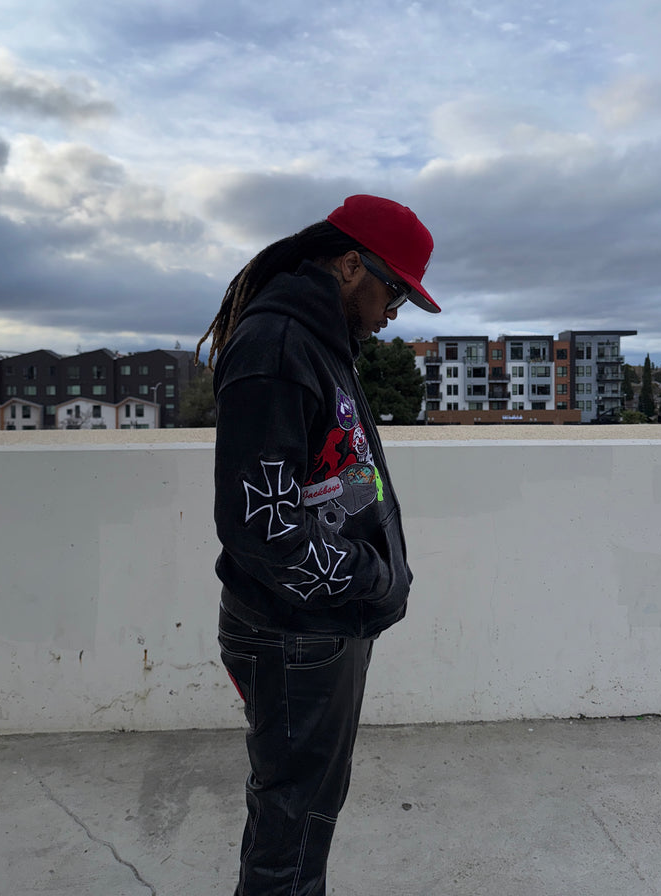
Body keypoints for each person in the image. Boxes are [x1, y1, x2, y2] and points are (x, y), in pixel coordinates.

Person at [197, 193, 440, 896]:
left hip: (317, 624)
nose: (395, 312)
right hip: (295, 633)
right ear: (349, 264)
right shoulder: (278, 348)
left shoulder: (318, 341)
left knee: (302, 815)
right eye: (395, 291)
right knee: (293, 827)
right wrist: (370, 576)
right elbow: (262, 527)